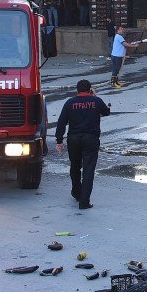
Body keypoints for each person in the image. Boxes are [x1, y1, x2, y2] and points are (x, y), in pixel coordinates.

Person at [54, 79, 110, 209]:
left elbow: (61, 122)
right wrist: (95, 96)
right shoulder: (96, 101)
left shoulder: (70, 102)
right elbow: (106, 112)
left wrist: (59, 140)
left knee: (75, 167)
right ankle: (84, 201)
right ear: (90, 90)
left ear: (77, 90)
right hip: (91, 138)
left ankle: (76, 192)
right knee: (88, 170)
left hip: (73, 139)